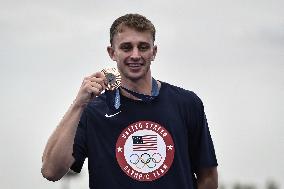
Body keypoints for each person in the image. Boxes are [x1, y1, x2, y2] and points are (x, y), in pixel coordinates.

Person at [41, 13, 218, 189]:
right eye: (126, 47)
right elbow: (51, 171)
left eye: (143, 47)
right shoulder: (92, 111)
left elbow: (208, 178)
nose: (135, 55)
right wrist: (78, 104)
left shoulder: (186, 103)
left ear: (153, 52)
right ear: (112, 52)